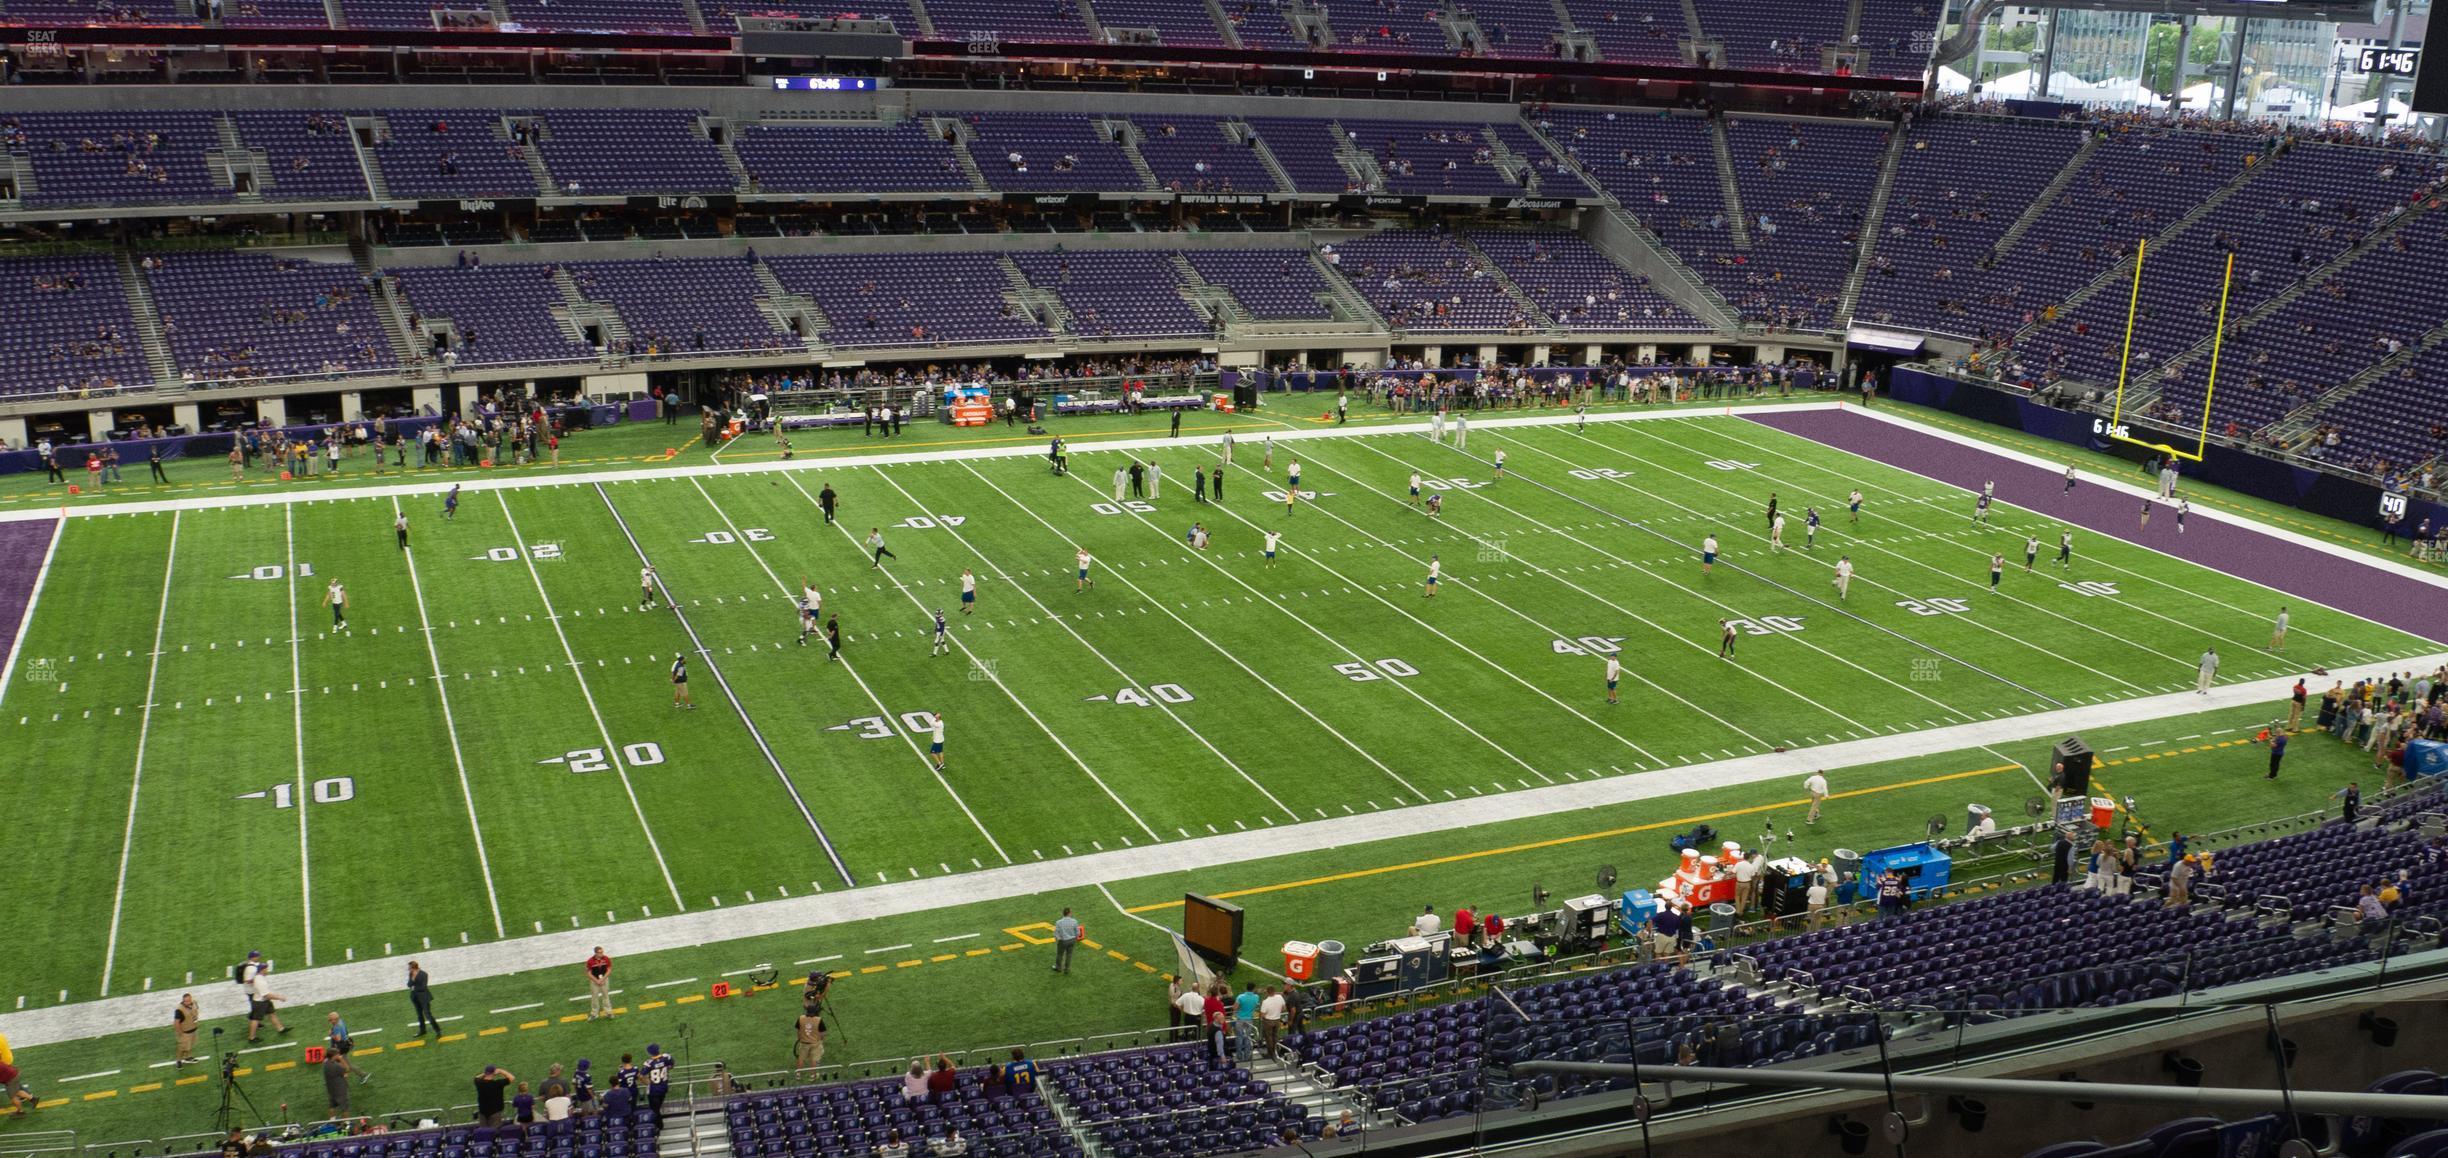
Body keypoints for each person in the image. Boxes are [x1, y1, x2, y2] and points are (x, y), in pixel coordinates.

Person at [241, 952, 289, 1041]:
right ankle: (252, 1037)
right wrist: (280, 997)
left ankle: (280, 1028)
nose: (267, 970)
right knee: (255, 1020)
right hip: (260, 1002)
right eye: (266, 969)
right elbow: (266, 995)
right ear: (262, 970)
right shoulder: (260, 980)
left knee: (272, 1013)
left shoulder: (259, 977)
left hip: (264, 1001)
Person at [793, 1006, 827, 1078]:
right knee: (813, 1059)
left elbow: (798, 1030)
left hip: (803, 1043)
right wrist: (821, 1040)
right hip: (815, 1043)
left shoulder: (801, 1018)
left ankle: (798, 1074)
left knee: (801, 1058)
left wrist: (799, 1038)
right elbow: (823, 1033)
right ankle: (813, 1075)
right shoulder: (818, 1019)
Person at [584, 947, 614, 1019]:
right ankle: (594, 1013)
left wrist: (603, 979)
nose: (602, 954)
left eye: (602, 952)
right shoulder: (590, 961)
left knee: (606, 996)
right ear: (596, 953)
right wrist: (596, 981)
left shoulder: (606, 959)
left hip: (604, 980)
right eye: (600, 952)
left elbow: (609, 970)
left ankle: (608, 1012)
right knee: (594, 997)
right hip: (594, 981)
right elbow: (588, 973)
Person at [172, 992, 200, 1066]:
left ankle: (188, 1057)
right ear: (183, 1001)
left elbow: (196, 1010)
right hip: (185, 1032)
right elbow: (176, 1023)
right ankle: (178, 1061)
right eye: (186, 1001)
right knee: (182, 1047)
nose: (188, 1002)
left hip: (193, 1029)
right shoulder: (179, 1010)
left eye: (189, 1000)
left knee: (190, 1045)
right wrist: (180, 1033)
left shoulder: (194, 1002)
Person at [1051, 907, 1081, 973]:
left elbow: (1056, 933)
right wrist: (1075, 939)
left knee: (1060, 954)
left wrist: (1058, 940)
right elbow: (1078, 933)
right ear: (1069, 913)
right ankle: (1067, 969)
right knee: (1069, 954)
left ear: (1063, 913)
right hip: (1072, 940)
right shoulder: (1074, 921)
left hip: (1063, 941)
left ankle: (1058, 968)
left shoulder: (1059, 922)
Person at [1258, 986, 1286, 1055]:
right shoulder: (1280, 997)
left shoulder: (1265, 1002)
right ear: (1274, 991)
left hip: (1268, 1021)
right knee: (1275, 1036)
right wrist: (1277, 1012)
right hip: (1277, 1020)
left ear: (1267, 992)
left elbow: (1262, 1014)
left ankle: (1271, 1053)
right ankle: (1276, 1050)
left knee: (1269, 1038)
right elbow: (1284, 1008)